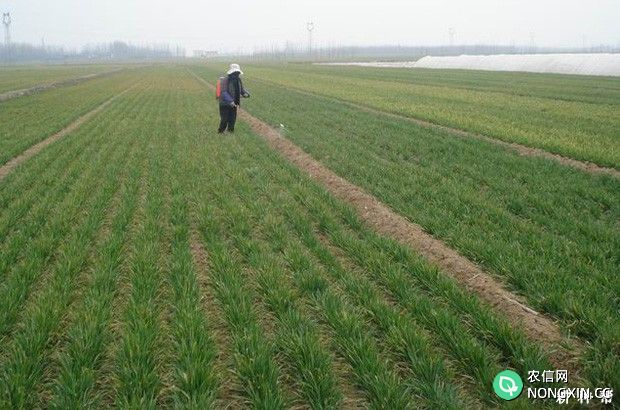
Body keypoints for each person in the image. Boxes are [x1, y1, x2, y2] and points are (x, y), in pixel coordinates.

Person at [218, 63, 250, 133]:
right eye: (235, 72)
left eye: (237, 72)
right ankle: (220, 132)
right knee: (224, 119)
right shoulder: (225, 80)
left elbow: (241, 89)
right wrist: (230, 101)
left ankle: (230, 132)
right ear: (231, 72)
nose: (237, 74)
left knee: (232, 119)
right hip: (225, 104)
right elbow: (224, 92)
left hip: (234, 104)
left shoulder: (238, 80)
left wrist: (245, 93)